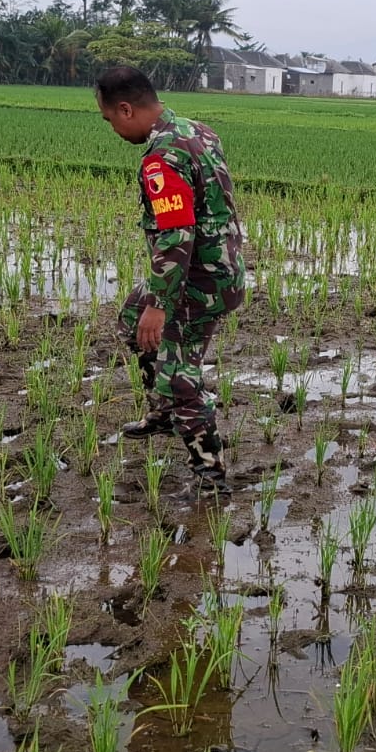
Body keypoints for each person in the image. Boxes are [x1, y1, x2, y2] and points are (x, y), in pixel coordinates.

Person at [96, 66, 246, 492]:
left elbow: (176, 233)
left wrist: (160, 305)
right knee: (130, 319)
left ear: (126, 109)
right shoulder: (198, 131)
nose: (113, 129)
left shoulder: (162, 157)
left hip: (197, 280)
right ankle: (161, 414)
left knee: (181, 377)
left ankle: (211, 476)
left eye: (110, 120)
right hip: (218, 267)